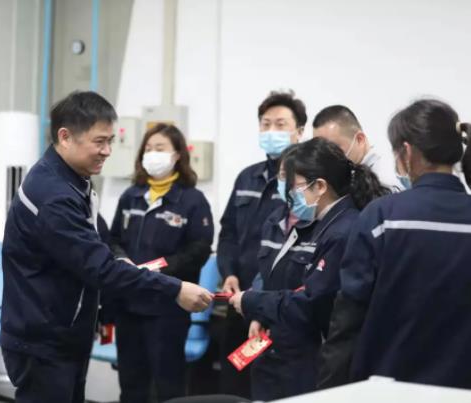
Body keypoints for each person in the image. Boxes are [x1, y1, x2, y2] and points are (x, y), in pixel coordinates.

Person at [0, 91, 213, 403]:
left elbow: (102, 239)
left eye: (111, 141)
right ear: (65, 137)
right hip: (44, 339)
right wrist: (176, 289)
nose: (108, 151)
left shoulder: (73, 182)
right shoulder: (54, 195)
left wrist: (122, 259)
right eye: (99, 142)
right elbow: (99, 267)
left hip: (65, 331)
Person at [318, 99, 471, 389]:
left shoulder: (382, 217)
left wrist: (330, 387)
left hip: (390, 385)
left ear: (407, 153)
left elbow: (348, 320)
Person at [229, 137, 388, 401]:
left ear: (320, 186)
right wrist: (262, 312)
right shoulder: (323, 224)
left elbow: (313, 302)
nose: (288, 195)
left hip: (317, 355)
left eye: (294, 186)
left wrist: (252, 301)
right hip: (286, 345)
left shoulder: (342, 230)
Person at [110, 124, 214, 403]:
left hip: (168, 306)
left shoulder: (192, 200)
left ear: (177, 155)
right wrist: (121, 258)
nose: (152, 153)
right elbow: (113, 238)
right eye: (148, 148)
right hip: (129, 304)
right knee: (131, 384)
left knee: (168, 386)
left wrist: (159, 267)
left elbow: (199, 249)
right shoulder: (131, 195)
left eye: (160, 148)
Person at [217, 90, 306, 397]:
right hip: (237, 296)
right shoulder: (247, 178)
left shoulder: (304, 185)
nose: (271, 131)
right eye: (265, 124)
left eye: (280, 124)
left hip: (275, 301)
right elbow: (228, 231)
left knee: (269, 385)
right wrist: (228, 272)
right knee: (233, 381)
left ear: (299, 131)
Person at [312, 105, 402, 191]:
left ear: (360, 139)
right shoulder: (348, 177)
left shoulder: (385, 181)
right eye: (320, 150)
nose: (326, 157)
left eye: (333, 149)